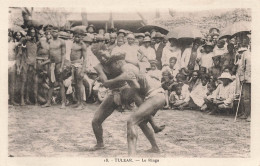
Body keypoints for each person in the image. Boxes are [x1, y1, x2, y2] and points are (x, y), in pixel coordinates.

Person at [102, 53, 165, 155]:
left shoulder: (125, 68)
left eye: (112, 65)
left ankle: (132, 156)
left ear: (117, 62)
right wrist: (154, 125)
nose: (112, 69)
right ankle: (155, 147)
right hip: (157, 95)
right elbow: (138, 99)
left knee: (131, 121)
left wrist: (118, 81)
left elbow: (136, 87)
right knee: (141, 121)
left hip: (155, 96)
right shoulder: (130, 66)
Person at [42, 27, 66, 108]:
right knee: (51, 83)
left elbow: (63, 55)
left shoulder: (62, 41)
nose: (54, 33)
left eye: (56, 31)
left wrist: (61, 66)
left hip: (59, 64)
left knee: (60, 83)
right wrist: (44, 63)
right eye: (53, 32)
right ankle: (48, 102)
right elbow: (49, 55)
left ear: (58, 32)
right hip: (51, 64)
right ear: (51, 33)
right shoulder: (49, 41)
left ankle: (63, 103)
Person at [19, 28, 38, 105]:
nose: (33, 34)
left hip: (33, 64)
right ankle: (22, 100)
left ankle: (27, 99)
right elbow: (21, 50)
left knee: (29, 82)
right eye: (31, 33)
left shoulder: (35, 43)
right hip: (26, 64)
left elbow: (35, 55)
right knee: (24, 81)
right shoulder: (25, 42)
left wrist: (35, 64)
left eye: (34, 33)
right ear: (29, 34)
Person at [69, 32, 87, 109]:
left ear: (81, 37)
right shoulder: (73, 44)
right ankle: (78, 102)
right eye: (76, 36)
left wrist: (83, 70)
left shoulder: (82, 45)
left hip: (78, 65)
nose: (77, 38)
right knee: (76, 85)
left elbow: (85, 59)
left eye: (78, 37)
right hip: (73, 64)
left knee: (80, 84)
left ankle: (82, 104)